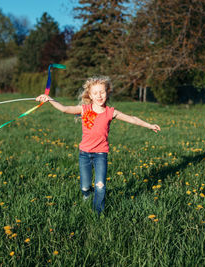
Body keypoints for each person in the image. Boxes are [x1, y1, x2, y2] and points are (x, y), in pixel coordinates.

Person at [36, 76, 160, 215]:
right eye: (95, 93)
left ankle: (97, 214)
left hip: (101, 154)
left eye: (102, 92)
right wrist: (50, 99)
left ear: (107, 92)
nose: (99, 95)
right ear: (90, 95)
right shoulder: (84, 109)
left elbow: (132, 119)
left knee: (100, 186)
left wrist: (149, 125)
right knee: (85, 186)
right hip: (84, 154)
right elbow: (65, 109)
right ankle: (87, 194)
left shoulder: (110, 112)